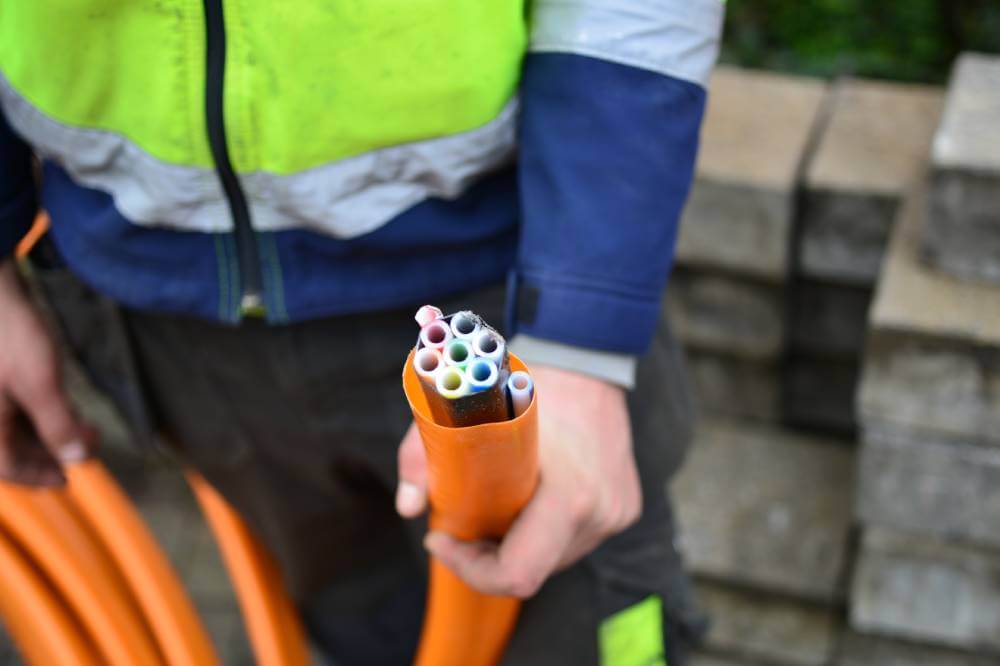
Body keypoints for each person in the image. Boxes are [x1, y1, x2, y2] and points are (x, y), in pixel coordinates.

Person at [0, 2, 723, 664]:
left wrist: (578, 341)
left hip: (516, 289)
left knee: (585, 629)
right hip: (180, 333)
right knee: (365, 633)